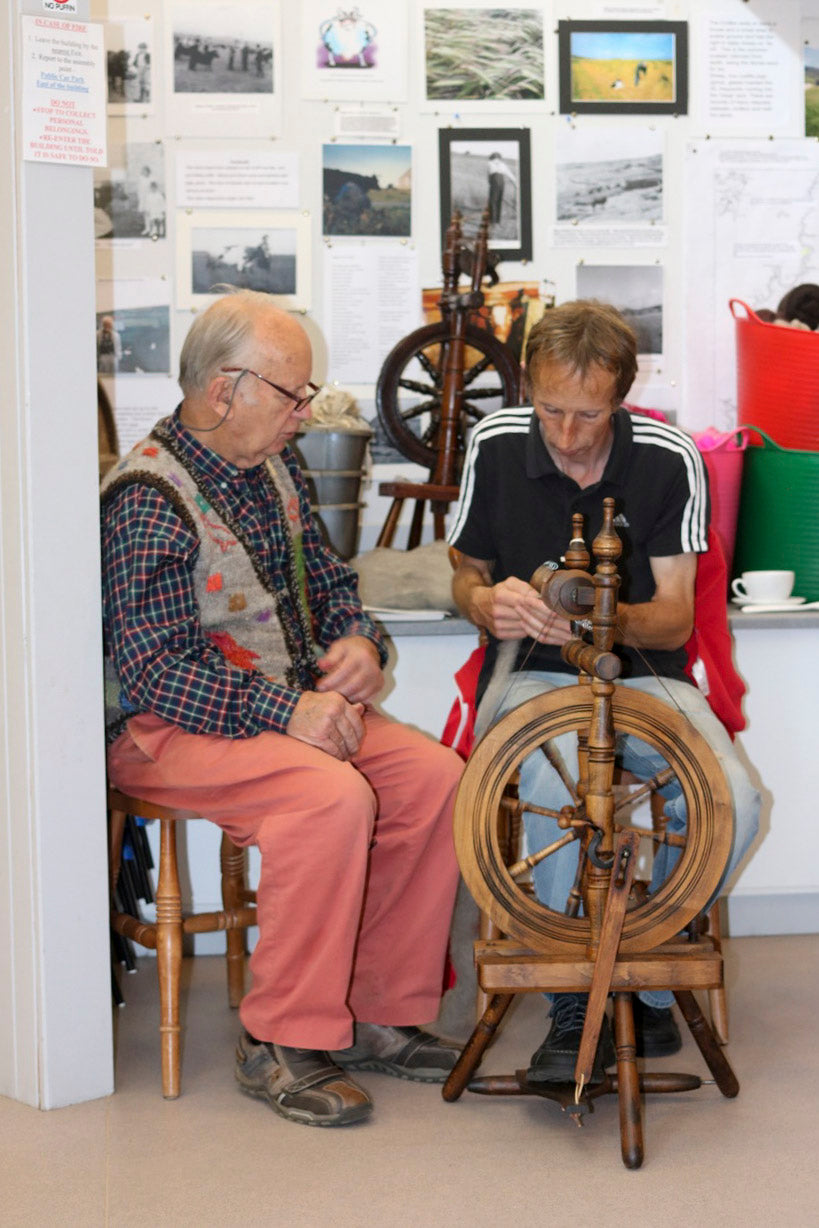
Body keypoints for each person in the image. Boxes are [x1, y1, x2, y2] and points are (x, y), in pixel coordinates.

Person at [101, 289, 463, 1127]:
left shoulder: (276, 466)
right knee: (328, 798)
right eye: (292, 395)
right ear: (224, 389)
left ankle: (380, 1010)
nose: (305, 414)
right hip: (169, 731)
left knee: (433, 779)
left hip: (284, 709)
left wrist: (362, 643)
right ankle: (280, 1040)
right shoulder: (147, 498)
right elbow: (153, 672)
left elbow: (333, 584)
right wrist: (286, 713)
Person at [447, 298, 760, 1083]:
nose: (564, 434)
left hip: (646, 673)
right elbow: (464, 574)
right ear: (528, 387)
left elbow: (673, 620)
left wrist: (593, 616)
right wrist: (486, 604)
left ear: (621, 396)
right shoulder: (491, 443)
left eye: (586, 416)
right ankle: (571, 1003)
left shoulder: (667, 456)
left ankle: (641, 965)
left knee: (736, 801)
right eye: (548, 409)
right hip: (527, 672)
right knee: (559, 769)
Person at [486, 151, 516, 226]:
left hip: (494, 181)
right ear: (499, 158)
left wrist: (490, 182)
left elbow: (488, 175)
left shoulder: (490, 163)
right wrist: (515, 183)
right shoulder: (503, 165)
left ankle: (493, 221)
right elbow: (509, 174)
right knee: (499, 200)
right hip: (501, 182)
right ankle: (497, 221)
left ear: (492, 157)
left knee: (493, 201)